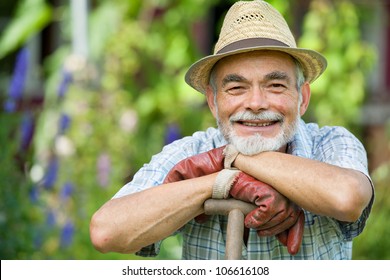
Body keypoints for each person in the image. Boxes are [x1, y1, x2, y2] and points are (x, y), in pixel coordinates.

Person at [89, 0, 374, 260]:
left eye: (275, 85)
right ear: (213, 102)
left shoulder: (330, 142)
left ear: (302, 99)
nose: (256, 103)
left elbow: (347, 197)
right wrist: (221, 182)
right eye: (236, 88)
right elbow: (106, 231)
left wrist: (232, 157)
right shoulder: (191, 150)